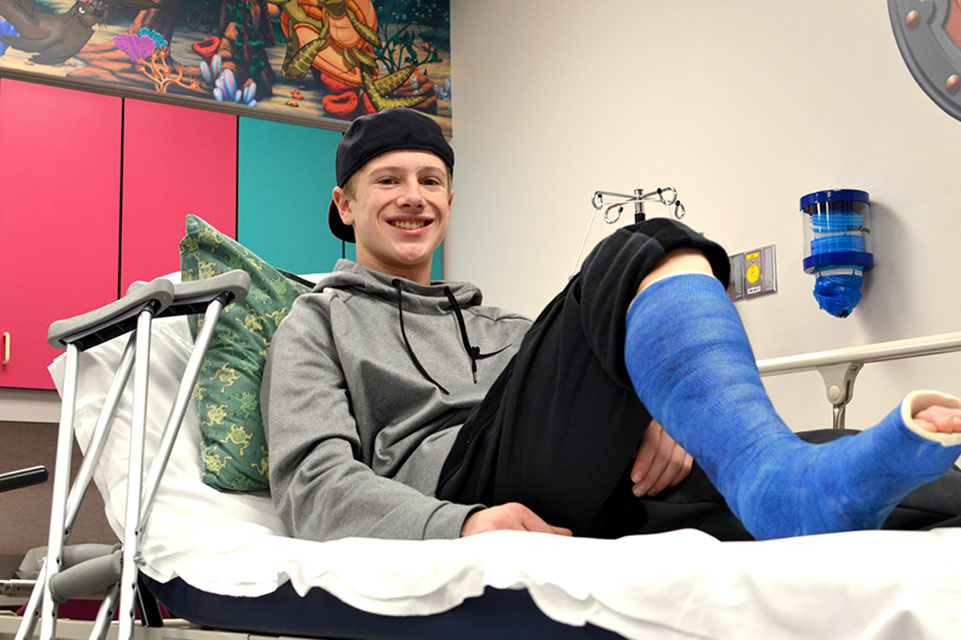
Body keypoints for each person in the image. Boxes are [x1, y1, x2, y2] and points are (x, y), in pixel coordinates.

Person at [261, 108, 961, 543]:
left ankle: (794, 481)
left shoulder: (505, 324)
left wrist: (661, 418)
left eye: (430, 181)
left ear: (448, 199)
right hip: (456, 484)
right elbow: (312, 482)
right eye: (386, 180)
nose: (412, 197)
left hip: (589, 489)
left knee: (866, 466)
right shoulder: (316, 321)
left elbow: (571, 415)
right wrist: (462, 525)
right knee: (642, 245)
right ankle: (773, 478)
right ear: (344, 206)